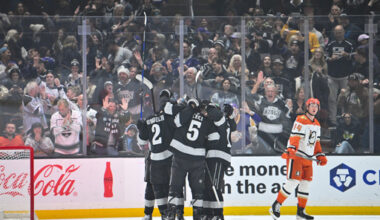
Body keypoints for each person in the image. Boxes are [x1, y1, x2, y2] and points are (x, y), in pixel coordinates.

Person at [269, 98, 328, 220]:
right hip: (297, 156)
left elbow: (316, 142)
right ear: (307, 107)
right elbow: (294, 136)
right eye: (312, 105)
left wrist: (319, 154)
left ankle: (300, 212)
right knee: (293, 182)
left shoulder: (317, 124)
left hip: (308, 158)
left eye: (316, 106)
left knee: (306, 184)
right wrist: (291, 149)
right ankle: (276, 205)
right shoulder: (301, 120)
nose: (314, 108)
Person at [137, 89, 184, 220]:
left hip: (155, 158)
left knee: (160, 188)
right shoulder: (171, 117)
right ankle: (174, 213)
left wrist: (141, 129)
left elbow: (141, 142)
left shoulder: (150, 118)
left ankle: (166, 214)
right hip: (169, 157)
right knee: (170, 187)